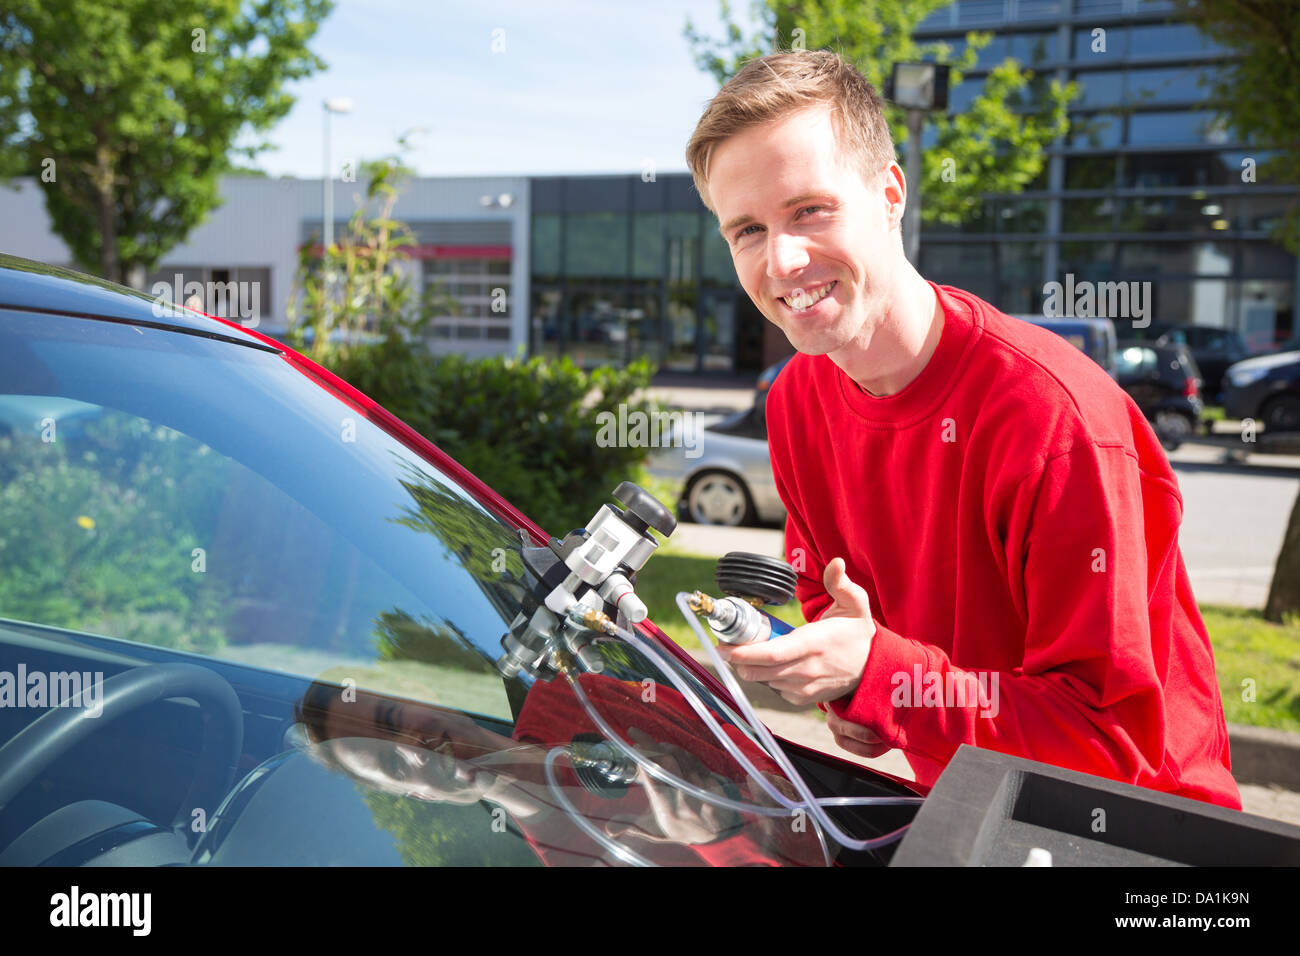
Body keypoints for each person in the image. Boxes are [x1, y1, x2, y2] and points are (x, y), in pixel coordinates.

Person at [685, 49, 1241, 810]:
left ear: (890, 195)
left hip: (1140, 844)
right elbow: (833, 604)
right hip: (963, 817)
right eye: (745, 230)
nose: (781, 260)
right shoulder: (795, 402)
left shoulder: (1054, 418)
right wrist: (853, 692)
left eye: (808, 210)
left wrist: (884, 677)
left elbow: (1108, 749)